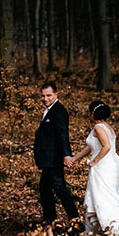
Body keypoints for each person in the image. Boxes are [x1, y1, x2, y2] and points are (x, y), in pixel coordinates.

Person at [64, 100, 119, 236]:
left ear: (92, 113)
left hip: (104, 167)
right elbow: (91, 147)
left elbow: (106, 146)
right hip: (109, 165)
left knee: (105, 198)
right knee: (99, 196)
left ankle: (117, 232)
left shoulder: (98, 127)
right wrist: (74, 159)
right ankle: (97, 231)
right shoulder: (106, 127)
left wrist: (94, 161)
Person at [33, 81, 80, 226]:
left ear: (56, 94)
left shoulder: (59, 111)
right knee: (45, 189)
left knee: (60, 189)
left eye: (48, 95)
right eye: (43, 96)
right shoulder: (49, 110)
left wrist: (66, 155)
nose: (45, 99)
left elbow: (62, 134)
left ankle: (75, 221)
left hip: (55, 158)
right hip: (47, 159)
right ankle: (50, 220)